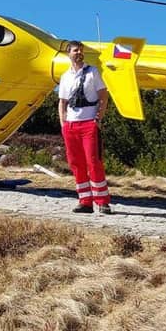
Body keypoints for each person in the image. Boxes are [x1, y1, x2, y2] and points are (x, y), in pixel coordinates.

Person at [57, 40, 112, 214]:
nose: (79, 53)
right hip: (71, 126)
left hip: (89, 123)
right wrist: (63, 123)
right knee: (76, 163)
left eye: (81, 50)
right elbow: (62, 102)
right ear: (69, 54)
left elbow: (103, 95)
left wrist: (98, 118)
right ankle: (85, 201)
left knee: (93, 162)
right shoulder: (65, 76)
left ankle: (102, 201)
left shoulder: (93, 72)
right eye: (75, 50)